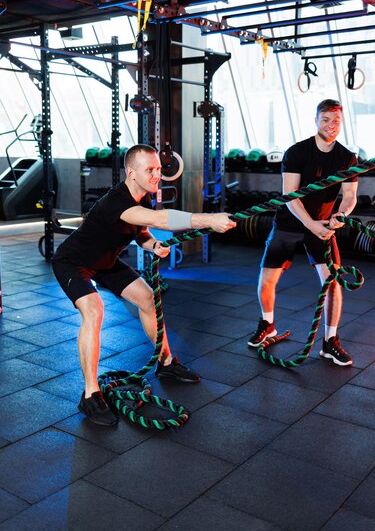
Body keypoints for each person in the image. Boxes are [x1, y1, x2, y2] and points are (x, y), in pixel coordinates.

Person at [52, 144, 236, 425]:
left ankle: (165, 362)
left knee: (149, 299)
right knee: (94, 309)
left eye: (159, 170)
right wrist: (209, 219)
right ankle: (90, 395)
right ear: (131, 172)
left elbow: (143, 231)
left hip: (107, 262)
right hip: (73, 262)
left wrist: (152, 245)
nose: (156, 175)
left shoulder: (143, 198)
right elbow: (159, 218)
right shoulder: (117, 201)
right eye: (150, 170)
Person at [248, 99, 358, 366]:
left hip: (323, 226)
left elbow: (350, 196)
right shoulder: (296, 152)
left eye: (335, 121)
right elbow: (289, 195)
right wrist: (312, 224)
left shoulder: (347, 158)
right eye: (325, 120)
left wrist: (341, 216)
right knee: (266, 281)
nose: (331, 126)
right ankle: (268, 324)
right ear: (315, 120)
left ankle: (330, 342)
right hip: (290, 222)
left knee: (331, 284)